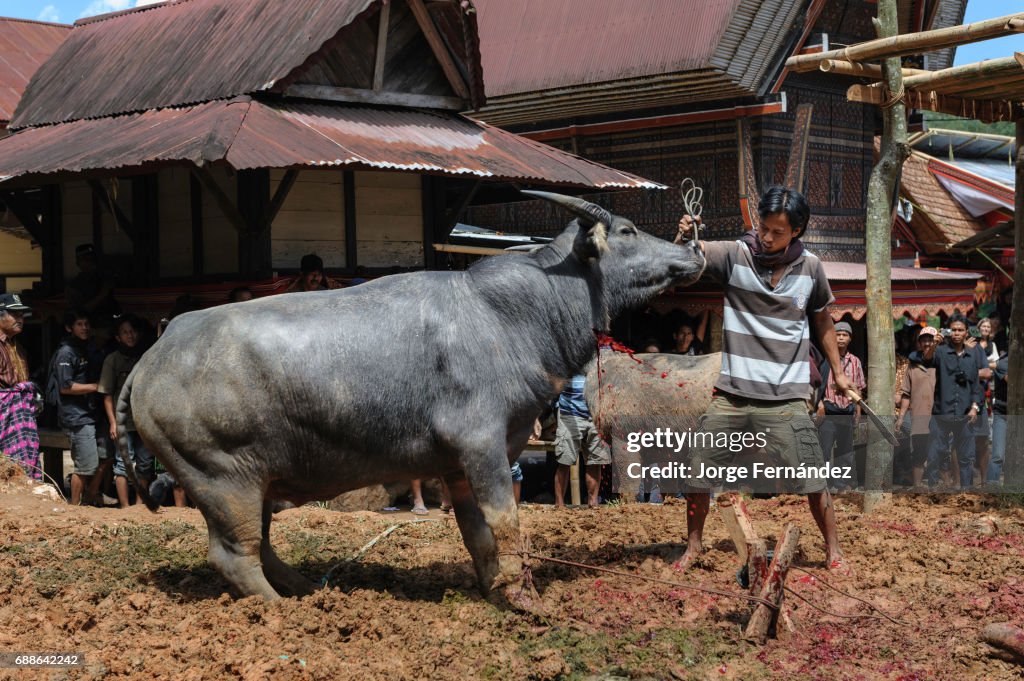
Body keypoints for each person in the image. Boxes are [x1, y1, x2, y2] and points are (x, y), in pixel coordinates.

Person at [673, 186, 852, 573]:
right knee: (698, 471)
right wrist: (686, 238)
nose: (766, 238)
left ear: (798, 231)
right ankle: (694, 546)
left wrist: (837, 372)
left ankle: (834, 551)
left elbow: (822, 319)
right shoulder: (734, 255)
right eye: (763, 228)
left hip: (786, 398)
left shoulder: (812, 268)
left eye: (777, 232)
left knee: (813, 475)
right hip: (732, 394)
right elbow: (685, 267)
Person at [50, 310, 113, 505]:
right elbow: (66, 387)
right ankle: (75, 507)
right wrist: (96, 386)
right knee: (86, 466)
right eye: (79, 324)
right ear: (69, 328)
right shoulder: (66, 352)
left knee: (107, 456)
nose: (84, 328)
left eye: (86, 323)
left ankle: (91, 494)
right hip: (76, 416)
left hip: (93, 413)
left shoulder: (87, 348)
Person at [915, 314, 983, 489]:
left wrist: (975, 407)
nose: (957, 333)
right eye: (953, 330)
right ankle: (933, 489)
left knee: (966, 456)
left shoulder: (972, 355)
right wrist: (935, 343)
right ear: (949, 332)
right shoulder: (941, 352)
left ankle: (966, 491)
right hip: (941, 414)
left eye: (960, 330)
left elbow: (976, 385)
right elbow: (926, 359)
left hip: (965, 414)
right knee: (934, 454)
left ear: (966, 332)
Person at [98, 316, 154, 508]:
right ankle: (124, 507)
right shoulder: (112, 360)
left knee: (145, 464)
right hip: (122, 422)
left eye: (132, 331)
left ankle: (139, 506)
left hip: (143, 422)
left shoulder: (145, 357)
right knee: (123, 464)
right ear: (118, 337)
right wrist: (113, 422)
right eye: (125, 332)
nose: (130, 336)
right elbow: (106, 395)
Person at [816, 321, 867, 490]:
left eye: (844, 335)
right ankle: (822, 485)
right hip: (829, 412)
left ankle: (840, 483)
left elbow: (858, 388)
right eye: (837, 335)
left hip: (847, 411)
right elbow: (818, 385)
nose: (840, 338)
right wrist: (820, 405)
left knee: (845, 452)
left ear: (850, 339)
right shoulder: (825, 359)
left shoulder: (855, 362)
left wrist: (858, 411)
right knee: (824, 449)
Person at [553, 374, 610, 508]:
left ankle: (593, 501)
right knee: (565, 460)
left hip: (598, 413)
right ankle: (559, 504)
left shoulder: (605, 353)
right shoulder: (571, 354)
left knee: (596, 461)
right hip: (570, 413)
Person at [0, 294, 41, 479]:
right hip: (4, 415)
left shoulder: (18, 346)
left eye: (21, 315)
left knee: (23, 464)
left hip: (20, 413)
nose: (20, 319)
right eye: (14, 314)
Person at [896, 327, 938, 489]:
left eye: (931, 340)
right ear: (919, 343)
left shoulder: (943, 362)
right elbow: (905, 393)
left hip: (939, 414)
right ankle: (917, 487)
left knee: (940, 451)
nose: (927, 343)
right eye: (924, 340)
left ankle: (942, 487)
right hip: (919, 415)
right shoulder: (912, 366)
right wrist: (901, 418)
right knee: (919, 452)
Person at [65, 244, 119, 331]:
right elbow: (80, 310)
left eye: (91, 259)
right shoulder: (74, 285)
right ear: (78, 262)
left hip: (108, 325)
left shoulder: (103, 278)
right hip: (87, 328)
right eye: (85, 259)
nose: (89, 263)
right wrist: (102, 295)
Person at [988, 350, 1007, 486]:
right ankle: (991, 489)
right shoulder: (1004, 362)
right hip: (1003, 414)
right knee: (998, 455)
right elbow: (1014, 380)